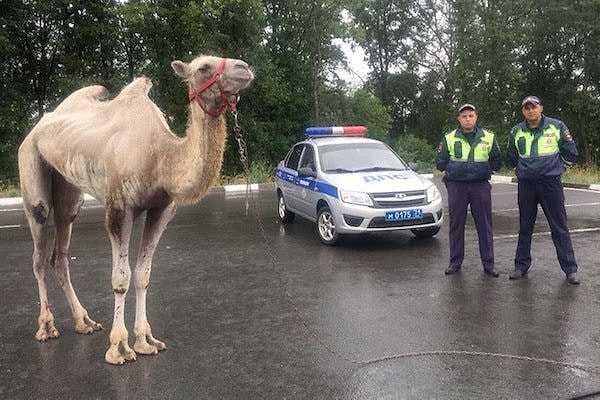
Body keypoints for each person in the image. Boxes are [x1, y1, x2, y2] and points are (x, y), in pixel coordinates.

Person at [507, 95, 580, 284]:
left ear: (541, 108)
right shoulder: (516, 131)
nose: (531, 110)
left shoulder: (556, 126)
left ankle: (570, 269)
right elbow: (511, 157)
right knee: (525, 227)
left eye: (534, 107)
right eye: (527, 108)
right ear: (523, 111)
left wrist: (559, 168)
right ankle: (521, 266)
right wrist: (521, 170)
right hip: (526, 186)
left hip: (550, 184)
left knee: (559, 227)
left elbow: (571, 152)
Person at [436, 103, 502, 277]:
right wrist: (455, 171)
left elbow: (497, 161)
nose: (467, 119)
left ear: (476, 117)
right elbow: (440, 162)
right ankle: (455, 263)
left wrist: (483, 171)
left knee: (484, 225)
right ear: (459, 119)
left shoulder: (488, 137)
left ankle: (489, 264)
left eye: (470, 116)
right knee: (456, 225)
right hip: (457, 186)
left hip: (480, 186)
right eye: (464, 116)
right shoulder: (449, 137)